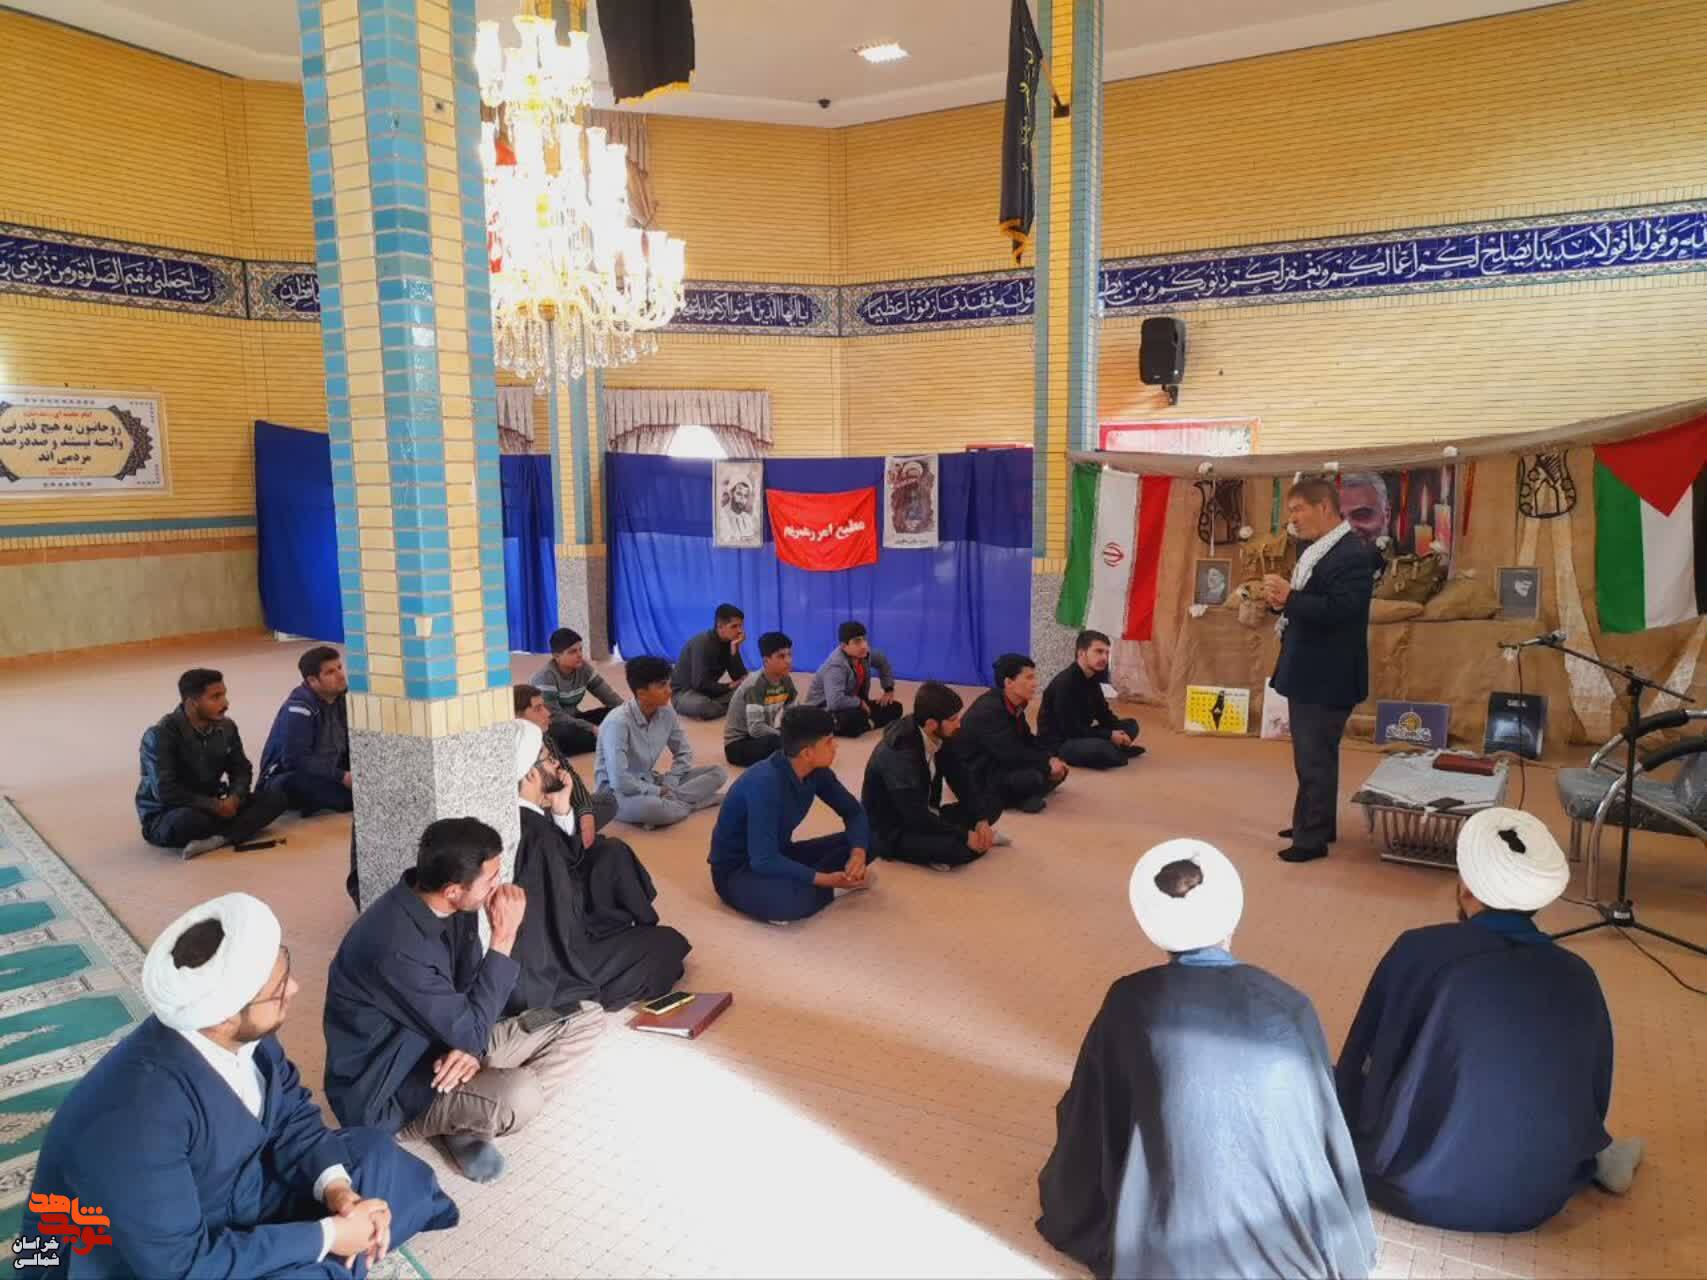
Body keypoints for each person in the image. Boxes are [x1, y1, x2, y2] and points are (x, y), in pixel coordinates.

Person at [21, 892, 458, 1277]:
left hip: (230, 1194)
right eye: (280, 987)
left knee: (375, 1157)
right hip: (118, 1260)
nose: (295, 988)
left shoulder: (244, 1035)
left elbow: (292, 1119)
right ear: (226, 1015)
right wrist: (328, 1235)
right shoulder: (133, 1119)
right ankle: (338, 1260)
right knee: (328, 1253)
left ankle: (338, 1257)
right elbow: (182, 1267)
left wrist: (338, 1193)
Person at [1037, 840, 1377, 1279]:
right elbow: (1323, 1125)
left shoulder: (1129, 999)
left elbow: (1093, 1109)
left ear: (1154, 926)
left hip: (1169, 1255)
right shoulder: (1290, 1003)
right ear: (1232, 915)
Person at [1335, 808, 1642, 1233]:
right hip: (1541, 1196)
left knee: (1312, 1070)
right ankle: (1601, 1157)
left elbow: (1369, 1060)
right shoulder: (1579, 975)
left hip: (1413, 1189)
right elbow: (1593, 1092)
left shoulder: (1418, 951)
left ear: (1466, 887)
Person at [324, 818, 606, 1185]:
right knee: (520, 1094)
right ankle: (464, 1117)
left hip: (448, 1040)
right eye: (492, 878)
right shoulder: (395, 949)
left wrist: (468, 1049)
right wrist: (503, 938)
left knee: (585, 1016)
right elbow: (472, 1025)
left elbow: (471, 993)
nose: (500, 885)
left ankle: (467, 1115)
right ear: (454, 890)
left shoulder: (454, 908)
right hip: (392, 1090)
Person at [511, 720, 691, 1011]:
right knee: (667, 946)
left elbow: (566, 862)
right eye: (547, 758)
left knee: (611, 851)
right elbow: (559, 913)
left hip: (567, 923)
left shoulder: (527, 817)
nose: (556, 763)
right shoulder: (534, 834)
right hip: (557, 960)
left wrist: (562, 808)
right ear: (531, 774)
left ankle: (623, 931)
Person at [1264, 477, 1376, 862]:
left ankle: (1310, 839)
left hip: (1328, 674)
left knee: (1313, 757)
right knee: (1317, 754)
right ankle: (1319, 823)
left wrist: (1291, 598)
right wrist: (1282, 602)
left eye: (1298, 510)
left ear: (1324, 508)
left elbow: (1341, 610)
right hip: (1313, 668)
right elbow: (1313, 603)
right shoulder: (1320, 550)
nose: (1292, 519)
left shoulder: (1352, 553)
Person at [708, 706, 875, 924]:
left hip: (779, 852)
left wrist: (858, 854)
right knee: (791, 902)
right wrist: (826, 880)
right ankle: (830, 885)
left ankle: (818, 879)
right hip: (737, 871)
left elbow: (853, 811)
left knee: (872, 837)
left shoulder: (817, 772)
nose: (835, 746)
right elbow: (763, 861)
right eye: (829, 742)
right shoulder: (765, 783)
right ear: (807, 753)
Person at [137, 668, 290, 859]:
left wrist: (234, 797)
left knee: (277, 797)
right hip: (168, 813)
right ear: (192, 703)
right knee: (189, 820)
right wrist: (214, 806)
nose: (225, 703)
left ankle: (219, 839)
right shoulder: (160, 735)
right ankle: (233, 831)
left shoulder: (226, 727)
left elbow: (241, 768)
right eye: (215, 697)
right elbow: (165, 790)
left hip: (214, 805)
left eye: (224, 695)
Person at [860, 681, 1008, 869]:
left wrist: (981, 820)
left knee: (991, 805)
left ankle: (972, 839)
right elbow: (914, 816)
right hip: (895, 828)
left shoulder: (940, 734)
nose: (959, 724)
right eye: (953, 719)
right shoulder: (900, 753)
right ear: (931, 724)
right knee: (955, 849)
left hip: (928, 812)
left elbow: (960, 777)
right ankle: (964, 845)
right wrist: (964, 835)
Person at [597, 656, 728, 828]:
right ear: (641, 693)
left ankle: (672, 804)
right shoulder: (617, 723)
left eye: (668, 684)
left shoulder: (666, 713)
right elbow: (619, 780)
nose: (669, 691)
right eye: (661, 686)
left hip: (651, 780)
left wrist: (670, 783)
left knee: (718, 773)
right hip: (617, 794)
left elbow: (684, 752)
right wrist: (658, 791)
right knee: (653, 808)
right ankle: (696, 803)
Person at [947, 653, 1068, 815]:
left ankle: (1023, 796)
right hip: (974, 772)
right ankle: (1018, 798)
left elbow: (1026, 739)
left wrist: (1050, 757)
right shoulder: (989, 710)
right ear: (1009, 683)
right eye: (1029, 678)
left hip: (997, 764)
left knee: (1059, 769)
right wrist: (1046, 764)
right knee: (1034, 778)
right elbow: (1010, 754)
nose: (1035, 683)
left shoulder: (1015, 704)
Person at [259, 645, 353, 817]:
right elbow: (295, 760)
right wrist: (341, 776)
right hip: (288, 775)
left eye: (339, 668)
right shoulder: (299, 708)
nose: (340, 675)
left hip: (328, 765)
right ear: (312, 681)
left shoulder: (342, 696)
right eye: (330, 672)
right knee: (351, 798)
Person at [516, 684, 617, 836]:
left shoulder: (545, 738)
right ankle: (567, 838)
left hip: (553, 807)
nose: (547, 713)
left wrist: (585, 811)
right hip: (525, 819)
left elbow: (568, 772)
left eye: (544, 706)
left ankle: (568, 836)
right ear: (517, 717)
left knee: (607, 801)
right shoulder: (511, 749)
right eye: (537, 709)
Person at [1037, 630, 1145, 770]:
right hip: (1062, 741)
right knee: (1102, 749)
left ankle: (1115, 750)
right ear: (1081, 653)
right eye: (1099, 651)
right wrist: (1109, 735)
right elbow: (1071, 730)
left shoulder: (1092, 677)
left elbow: (1104, 714)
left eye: (1107, 653)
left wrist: (1119, 732)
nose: (1104, 657)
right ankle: (1115, 751)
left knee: (1131, 725)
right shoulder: (1065, 683)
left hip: (1083, 733)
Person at [529, 627, 624, 756]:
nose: (579, 655)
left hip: (574, 719)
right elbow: (556, 716)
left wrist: (629, 713)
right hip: (553, 725)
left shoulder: (583, 668)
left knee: (614, 713)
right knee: (565, 735)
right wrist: (591, 727)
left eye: (580, 649)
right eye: (572, 652)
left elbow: (608, 696)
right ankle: (612, 739)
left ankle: (610, 737)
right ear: (557, 656)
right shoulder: (545, 678)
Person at [803, 620, 902, 737]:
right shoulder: (836, 666)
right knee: (854, 718)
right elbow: (835, 702)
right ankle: (862, 723)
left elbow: (882, 661)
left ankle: (866, 723)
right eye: (857, 642)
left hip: (851, 705)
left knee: (896, 708)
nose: (864, 645)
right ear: (844, 646)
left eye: (864, 639)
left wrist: (888, 689)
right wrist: (859, 703)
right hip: (824, 709)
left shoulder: (864, 655)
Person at [724, 630, 799, 767]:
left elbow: (793, 714)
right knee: (779, 743)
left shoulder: (786, 680)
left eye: (790, 655)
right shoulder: (755, 684)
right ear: (766, 660)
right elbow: (756, 728)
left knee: (806, 733)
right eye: (781, 656)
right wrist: (787, 737)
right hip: (739, 745)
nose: (788, 660)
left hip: (762, 737)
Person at [670, 603, 748, 719]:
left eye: (741, 626)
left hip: (710, 692)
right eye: (734, 626)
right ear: (720, 626)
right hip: (685, 694)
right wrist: (729, 686)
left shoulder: (729, 643)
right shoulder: (702, 643)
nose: (739, 631)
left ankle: (722, 705)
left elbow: (740, 677)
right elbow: (699, 684)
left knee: (748, 689)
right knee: (702, 706)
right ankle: (730, 705)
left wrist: (735, 650)